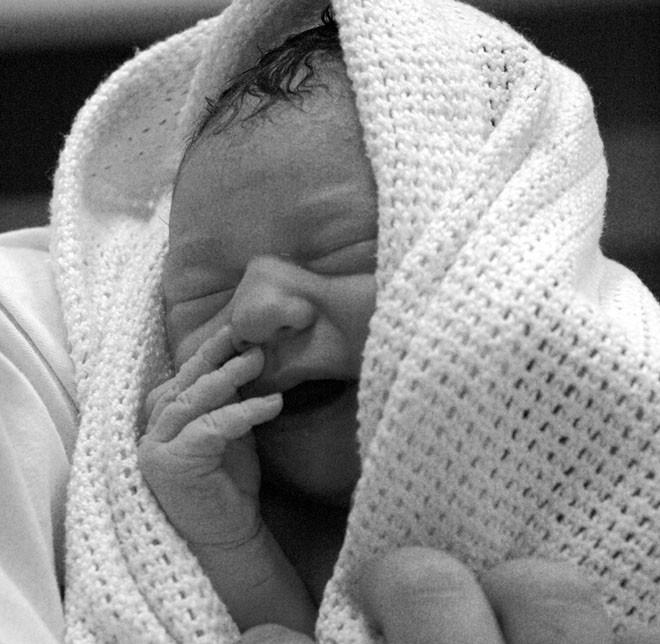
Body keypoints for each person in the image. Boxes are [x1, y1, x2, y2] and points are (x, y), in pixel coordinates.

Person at [2, 1, 660, 643]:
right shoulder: (267, 512)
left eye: (337, 249)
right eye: (204, 290)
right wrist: (228, 537)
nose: (255, 311)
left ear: (498, 252)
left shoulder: (628, 419)